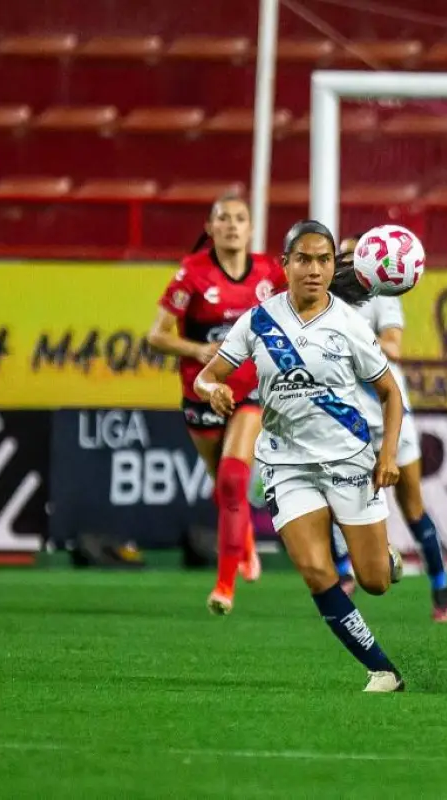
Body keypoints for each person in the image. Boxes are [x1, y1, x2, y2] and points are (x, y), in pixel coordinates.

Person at [195, 219, 408, 692]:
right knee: (315, 571)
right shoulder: (258, 320)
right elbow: (206, 376)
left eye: (324, 260)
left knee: (374, 582)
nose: (314, 269)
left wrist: (387, 455)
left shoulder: (350, 325)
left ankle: (382, 556)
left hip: (348, 460)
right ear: (284, 264)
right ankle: (383, 669)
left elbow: (391, 394)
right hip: (287, 464)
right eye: (304, 259)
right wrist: (213, 391)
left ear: (334, 267)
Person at [147, 193, 286, 615]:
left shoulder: (268, 272)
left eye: (239, 218)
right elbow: (156, 335)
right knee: (221, 483)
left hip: (251, 391)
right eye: (223, 218)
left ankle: (224, 586)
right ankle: (241, 539)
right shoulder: (191, 274)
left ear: (250, 228)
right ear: (210, 227)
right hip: (203, 391)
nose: (231, 225)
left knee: (231, 479)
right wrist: (196, 350)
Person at [328, 234, 447, 622]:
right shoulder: (324, 304)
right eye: (343, 258)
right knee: (335, 499)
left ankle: (440, 588)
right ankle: (346, 573)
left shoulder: (382, 296)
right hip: (344, 420)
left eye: (354, 256)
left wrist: (355, 344)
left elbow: (394, 347)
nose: (348, 264)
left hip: (390, 416)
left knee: (412, 504)